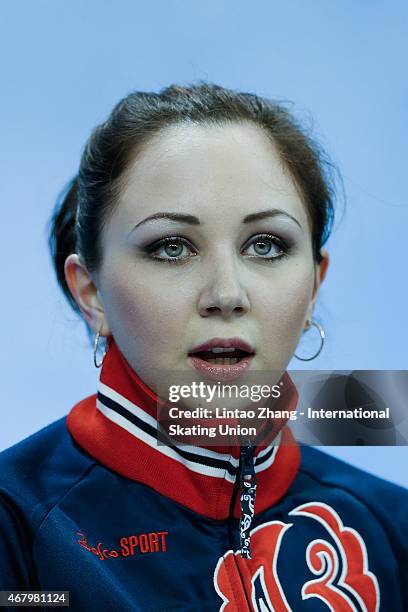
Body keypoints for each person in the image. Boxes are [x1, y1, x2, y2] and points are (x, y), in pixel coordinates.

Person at [0, 82, 406, 611]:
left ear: (314, 285)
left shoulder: (392, 527)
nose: (227, 295)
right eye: (172, 247)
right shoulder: (15, 522)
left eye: (266, 245)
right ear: (92, 292)